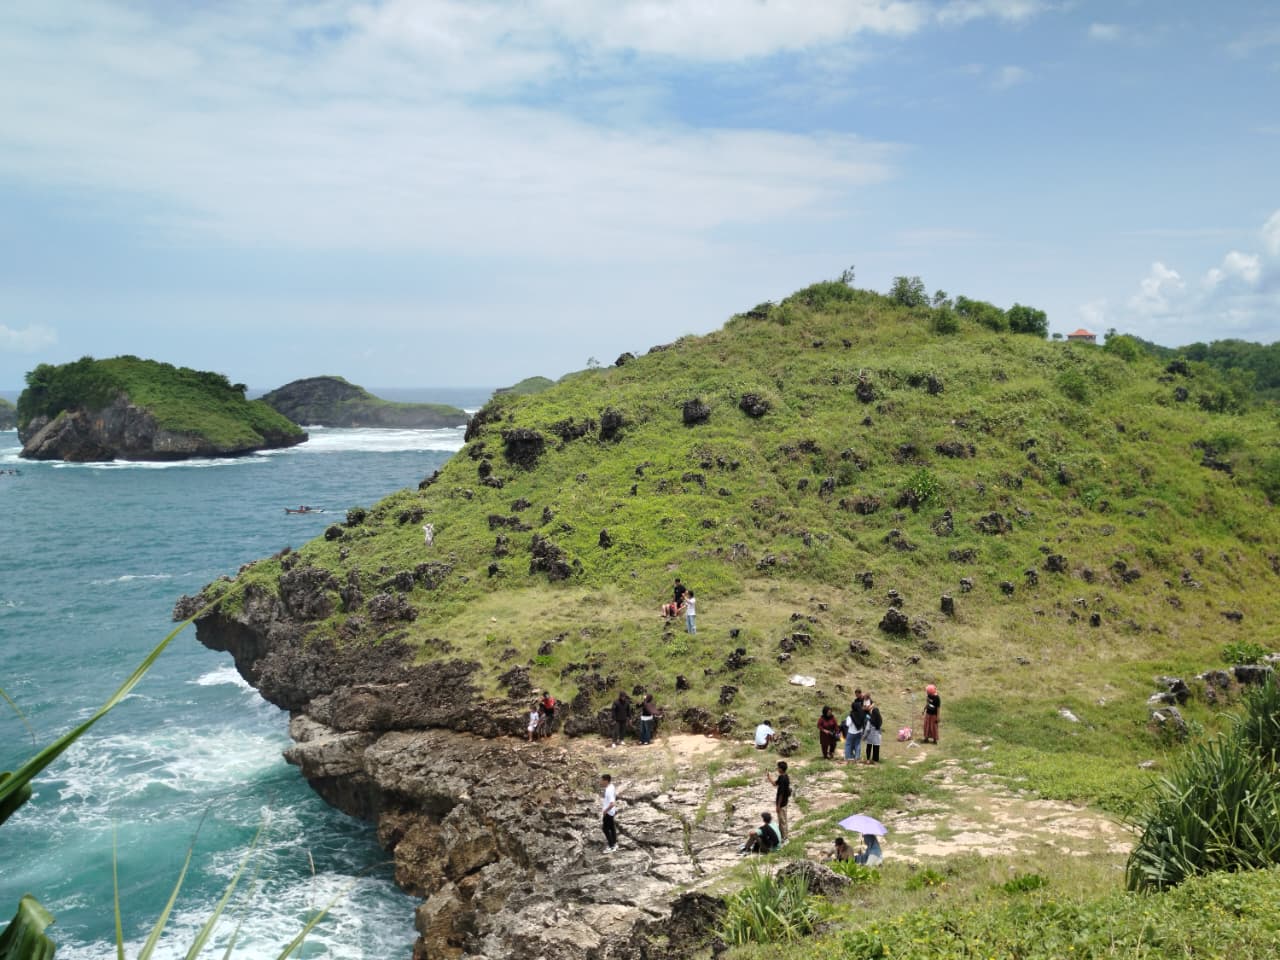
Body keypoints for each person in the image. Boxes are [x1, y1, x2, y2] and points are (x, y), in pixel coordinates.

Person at [765, 760, 791, 839]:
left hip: (782, 803)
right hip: (785, 801)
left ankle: (785, 838)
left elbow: (781, 794)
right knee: (783, 820)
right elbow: (774, 784)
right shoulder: (784, 776)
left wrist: (778, 806)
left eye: (778, 768)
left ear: (781, 769)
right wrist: (769, 777)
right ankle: (784, 836)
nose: (777, 769)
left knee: (782, 821)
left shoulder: (783, 778)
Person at [843, 691, 864, 763]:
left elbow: (848, 724)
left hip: (851, 732)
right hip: (859, 731)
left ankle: (848, 757)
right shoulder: (862, 713)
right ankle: (857, 757)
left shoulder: (851, 715)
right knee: (857, 744)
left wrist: (846, 720)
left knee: (848, 744)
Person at [600, 773, 618, 853]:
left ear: (606, 781)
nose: (601, 782)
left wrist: (605, 811)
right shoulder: (611, 786)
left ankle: (611, 846)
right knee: (612, 828)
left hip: (608, 812)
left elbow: (612, 803)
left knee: (605, 829)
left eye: (602, 780)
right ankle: (614, 843)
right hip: (612, 812)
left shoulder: (609, 790)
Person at [863, 697, 883, 764]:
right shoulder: (879, 721)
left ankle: (868, 760)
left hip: (870, 737)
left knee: (869, 747)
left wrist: (864, 737)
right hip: (877, 736)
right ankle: (875, 760)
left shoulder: (870, 721)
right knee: (876, 747)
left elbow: (867, 729)